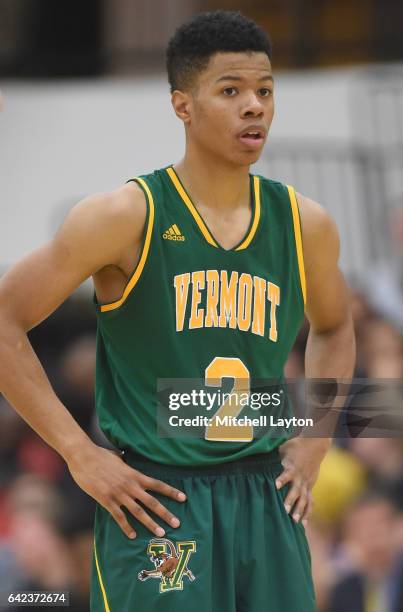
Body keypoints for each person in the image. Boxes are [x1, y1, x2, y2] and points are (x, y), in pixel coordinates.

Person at [0, 10, 355, 612]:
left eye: (265, 91)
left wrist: (316, 437)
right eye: (231, 91)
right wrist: (78, 453)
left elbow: (336, 326)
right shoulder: (123, 216)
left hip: (267, 493)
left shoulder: (305, 224)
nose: (255, 107)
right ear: (182, 105)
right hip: (159, 497)